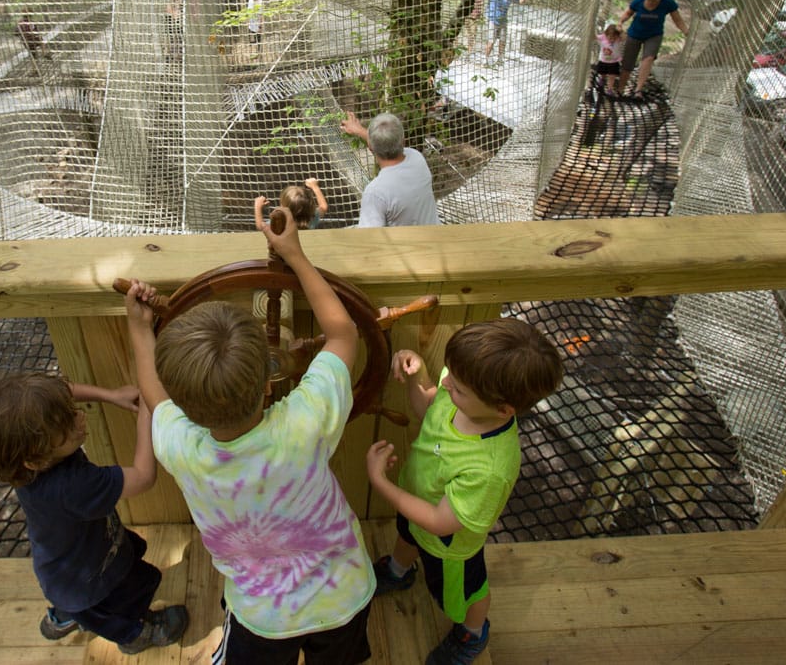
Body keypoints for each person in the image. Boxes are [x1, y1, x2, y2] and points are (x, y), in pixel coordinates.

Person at [123, 209, 375, 665]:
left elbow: (154, 394)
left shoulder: (179, 446)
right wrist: (295, 255)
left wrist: (140, 330)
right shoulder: (306, 421)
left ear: (184, 404)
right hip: (343, 595)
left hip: (262, 613)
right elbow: (342, 334)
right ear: (268, 382)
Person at [367, 319, 564, 665]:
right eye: (449, 377)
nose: (446, 385)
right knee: (406, 532)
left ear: (503, 409)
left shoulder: (488, 469)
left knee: (466, 593)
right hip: (417, 498)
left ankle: (472, 633)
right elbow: (429, 407)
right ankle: (398, 571)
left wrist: (381, 484)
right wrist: (418, 374)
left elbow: (441, 522)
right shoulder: (464, 388)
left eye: (456, 388)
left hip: (449, 546)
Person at [0, 372, 189, 653]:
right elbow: (143, 477)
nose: (80, 418)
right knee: (122, 602)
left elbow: (62, 391)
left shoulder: (24, 462)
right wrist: (148, 411)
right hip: (90, 578)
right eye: (69, 423)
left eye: (71, 411)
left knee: (78, 599)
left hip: (59, 564)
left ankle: (65, 615)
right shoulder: (73, 486)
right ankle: (136, 634)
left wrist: (109, 395)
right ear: (36, 458)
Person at [340, 111, 439, 227]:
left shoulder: (375, 193)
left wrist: (365, 134)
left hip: (406, 245)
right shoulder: (416, 157)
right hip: (435, 235)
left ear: (370, 148)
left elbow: (370, 238)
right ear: (403, 141)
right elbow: (387, 143)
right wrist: (360, 130)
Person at [618, 0, 688, 101]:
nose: (651, 2)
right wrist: (620, 23)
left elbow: (677, 20)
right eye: (650, 0)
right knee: (627, 63)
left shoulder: (668, 3)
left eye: (655, 1)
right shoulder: (638, 1)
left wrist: (686, 31)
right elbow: (628, 13)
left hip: (654, 35)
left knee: (648, 58)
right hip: (635, 34)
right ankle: (620, 89)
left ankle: (638, 90)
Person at [481, 0, 533, 64]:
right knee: (491, 41)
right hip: (492, 19)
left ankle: (500, 60)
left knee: (502, 41)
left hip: (503, 20)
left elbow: (519, 1)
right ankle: (485, 60)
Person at [253, 178, 328, 231]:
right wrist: (315, 187)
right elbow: (323, 207)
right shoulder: (311, 218)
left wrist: (257, 206)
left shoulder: (280, 222)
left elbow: (260, 226)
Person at [595, 23, 626, 98]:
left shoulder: (618, 39)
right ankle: (602, 78)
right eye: (610, 37)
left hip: (614, 62)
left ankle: (609, 89)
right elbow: (595, 37)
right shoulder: (603, 37)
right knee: (603, 73)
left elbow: (625, 37)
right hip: (603, 61)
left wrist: (621, 31)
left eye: (614, 38)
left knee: (612, 76)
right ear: (606, 35)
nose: (612, 40)